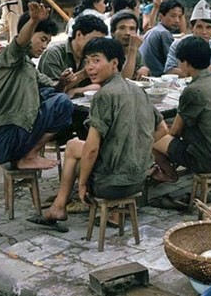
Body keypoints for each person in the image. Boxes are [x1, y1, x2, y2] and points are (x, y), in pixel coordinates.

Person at [33, 37, 168, 231]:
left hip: (111, 185)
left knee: (73, 146)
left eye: (96, 60)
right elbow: (163, 129)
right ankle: (67, 208)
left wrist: (82, 185)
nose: (89, 67)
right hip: (138, 180)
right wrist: (135, 149)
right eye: (87, 61)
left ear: (114, 63)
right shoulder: (138, 91)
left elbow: (91, 149)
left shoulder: (104, 96)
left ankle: (59, 206)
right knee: (80, 146)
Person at [0, 3, 75, 170]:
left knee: (52, 95)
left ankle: (28, 155)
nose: (45, 46)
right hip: (3, 135)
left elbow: (52, 90)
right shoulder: (9, 56)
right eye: (42, 39)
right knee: (63, 102)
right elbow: (20, 44)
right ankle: (30, 156)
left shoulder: (29, 67)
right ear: (29, 33)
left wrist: (62, 82)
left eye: (48, 41)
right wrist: (33, 20)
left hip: (11, 135)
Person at [153, 36, 211, 183]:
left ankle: (170, 175)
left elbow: (175, 132)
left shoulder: (193, 91)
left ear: (186, 63)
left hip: (210, 159)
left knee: (155, 138)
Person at [38, 14, 108, 96]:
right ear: (79, 35)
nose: (97, 45)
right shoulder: (53, 55)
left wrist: (78, 90)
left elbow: (103, 84)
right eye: (94, 40)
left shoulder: (94, 56)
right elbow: (51, 90)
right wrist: (83, 74)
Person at [164, 0, 211, 77]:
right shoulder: (179, 44)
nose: (204, 32)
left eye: (208, 27)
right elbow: (169, 71)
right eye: (199, 27)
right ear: (191, 28)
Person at [139, 0, 184, 77]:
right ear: (161, 16)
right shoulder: (164, 33)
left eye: (179, 17)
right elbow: (173, 64)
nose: (177, 20)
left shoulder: (152, 31)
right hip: (157, 78)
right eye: (173, 16)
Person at [109, 10, 150, 80]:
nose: (127, 33)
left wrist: (144, 69)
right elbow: (123, 81)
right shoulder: (107, 51)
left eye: (132, 29)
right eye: (122, 28)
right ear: (113, 32)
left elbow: (142, 66)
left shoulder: (134, 50)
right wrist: (132, 49)